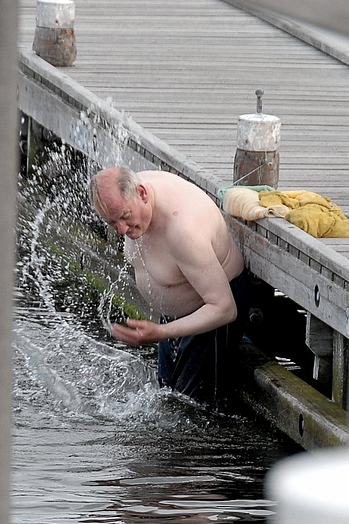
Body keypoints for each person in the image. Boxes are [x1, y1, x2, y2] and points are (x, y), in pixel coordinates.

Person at [89, 165, 249, 409]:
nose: (121, 229)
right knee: (169, 400)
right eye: (111, 223)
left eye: (124, 216)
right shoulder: (137, 197)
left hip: (211, 321)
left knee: (196, 412)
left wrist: (161, 333)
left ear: (142, 194)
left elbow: (225, 308)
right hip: (174, 319)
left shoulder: (183, 231)